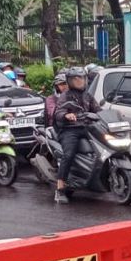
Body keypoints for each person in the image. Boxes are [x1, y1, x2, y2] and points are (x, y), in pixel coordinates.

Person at [53, 67, 100, 203]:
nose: (80, 81)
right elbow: (58, 112)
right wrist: (66, 115)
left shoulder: (88, 96)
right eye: (76, 79)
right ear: (70, 81)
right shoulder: (65, 96)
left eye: (82, 78)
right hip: (69, 130)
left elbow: (98, 110)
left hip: (86, 128)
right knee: (68, 155)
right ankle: (60, 188)